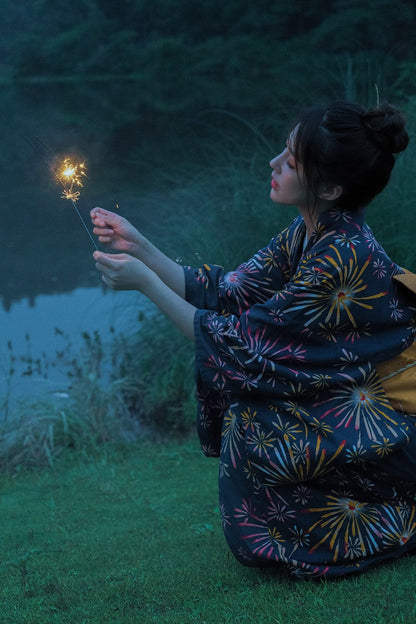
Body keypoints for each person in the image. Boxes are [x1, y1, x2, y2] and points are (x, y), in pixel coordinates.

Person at [91, 101, 416, 579]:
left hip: (390, 429)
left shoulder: (343, 255)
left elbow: (240, 347)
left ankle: (392, 522)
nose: (273, 165)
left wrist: (145, 283)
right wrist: (140, 246)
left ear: (328, 187)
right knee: (252, 417)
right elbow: (230, 292)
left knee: (255, 424)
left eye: (290, 161)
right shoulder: (310, 232)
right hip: (357, 410)